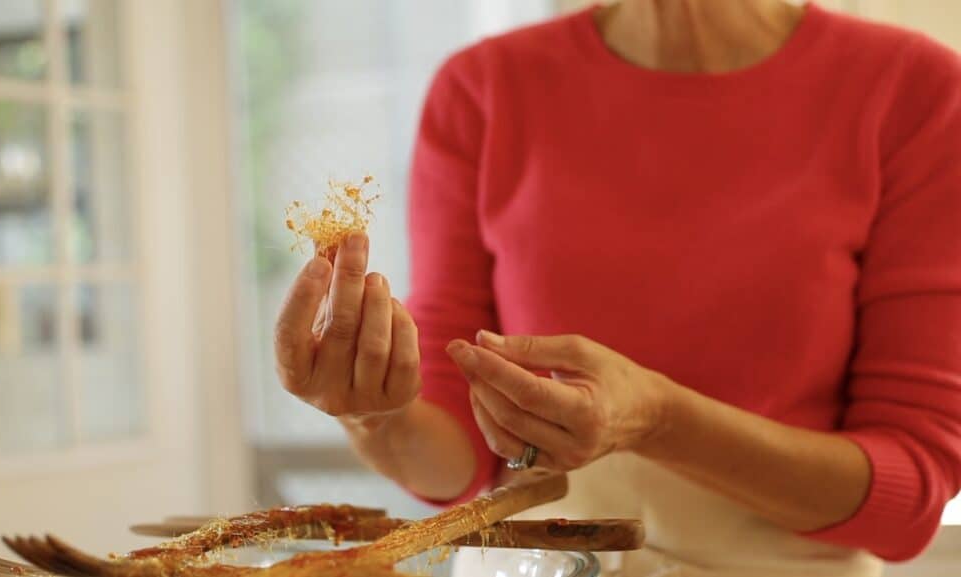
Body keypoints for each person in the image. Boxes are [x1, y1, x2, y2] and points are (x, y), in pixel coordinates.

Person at [273, 1, 961, 575]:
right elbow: (457, 458)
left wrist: (661, 419)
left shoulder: (913, 92)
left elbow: (907, 496)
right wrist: (374, 414)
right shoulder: (482, 89)